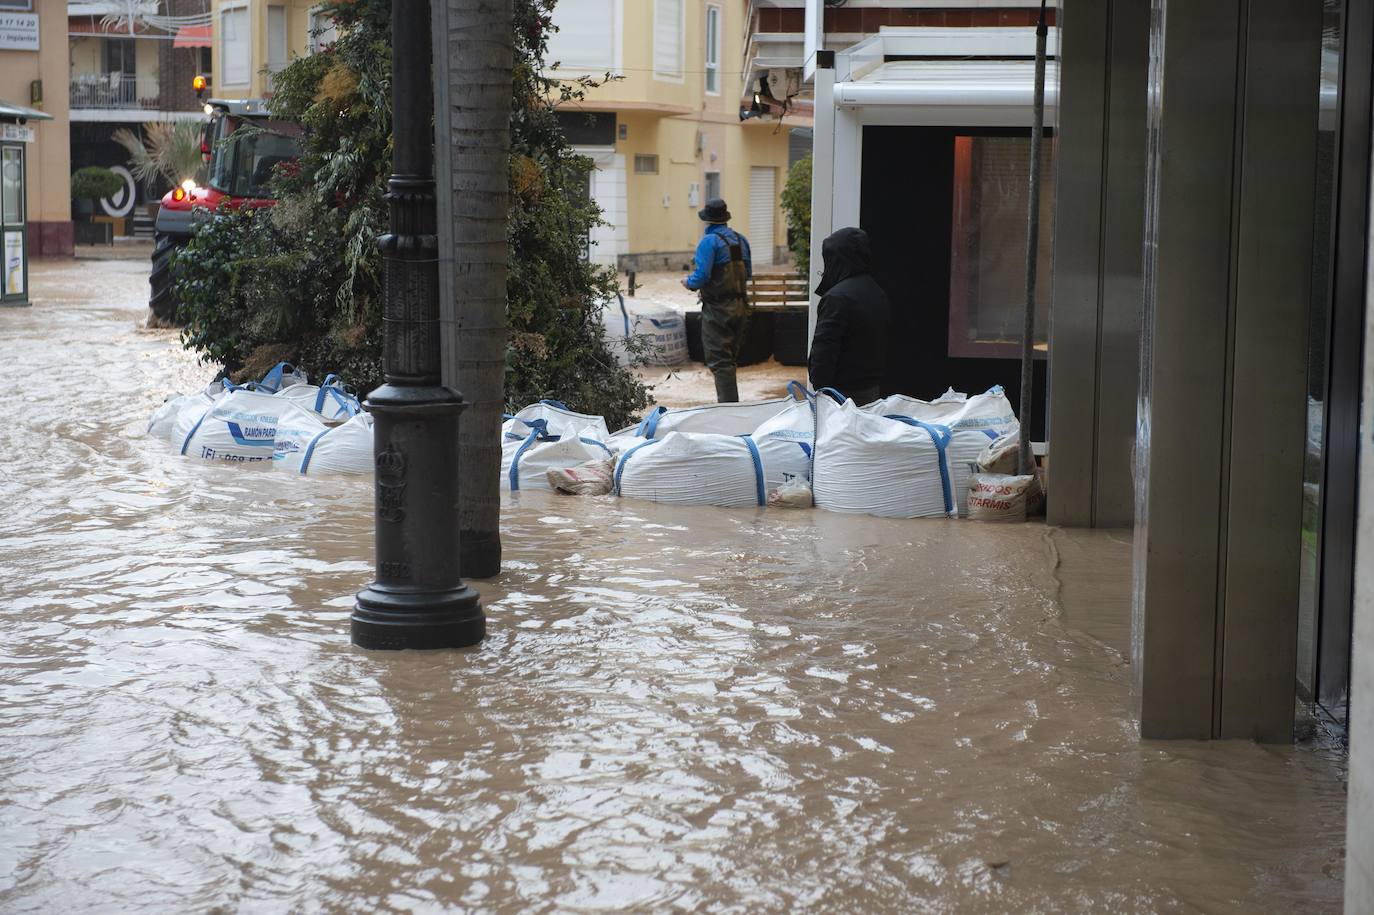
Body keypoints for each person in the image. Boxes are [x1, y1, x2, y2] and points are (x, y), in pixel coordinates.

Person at [809, 227, 890, 405]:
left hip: (841, 397)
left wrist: (821, 389)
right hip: (871, 392)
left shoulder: (836, 298)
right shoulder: (876, 291)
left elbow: (824, 351)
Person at [683, 198, 752, 403]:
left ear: (707, 221)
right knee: (731, 360)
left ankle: (728, 411)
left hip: (718, 310)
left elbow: (701, 276)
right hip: (741, 306)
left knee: (720, 363)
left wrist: (687, 282)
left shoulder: (709, 242)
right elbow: (747, 273)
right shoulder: (740, 240)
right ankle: (731, 406)